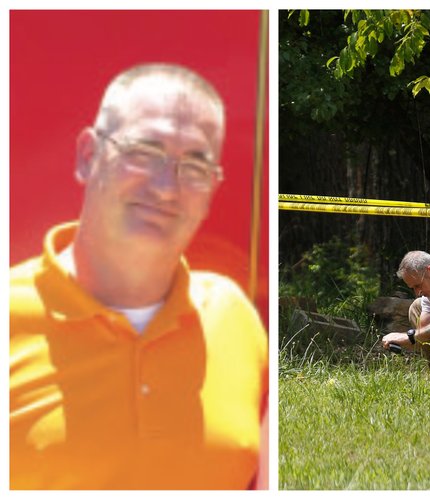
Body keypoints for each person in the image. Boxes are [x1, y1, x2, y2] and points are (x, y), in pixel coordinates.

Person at [9, 64, 268, 489]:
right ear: (88, 156)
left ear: (211, 190)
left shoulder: (233, 316)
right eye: (144, 153)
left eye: (196, 166)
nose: (167, 186)